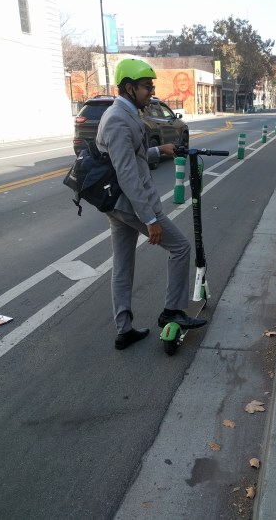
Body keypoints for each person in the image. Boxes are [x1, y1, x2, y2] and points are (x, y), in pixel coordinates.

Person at [96, 59, 206, 350]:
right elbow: (127, 173)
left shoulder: (126, 113)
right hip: (131, 204)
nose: (151, 92)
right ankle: (173, 311)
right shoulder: (118, 118)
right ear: (129, 87)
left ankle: (124, 330)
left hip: (120, 204)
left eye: (152, 86)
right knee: (181, 247)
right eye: (147, 87)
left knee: (122, 265)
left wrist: (159, 149)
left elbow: (135, 156)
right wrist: (150, 219)